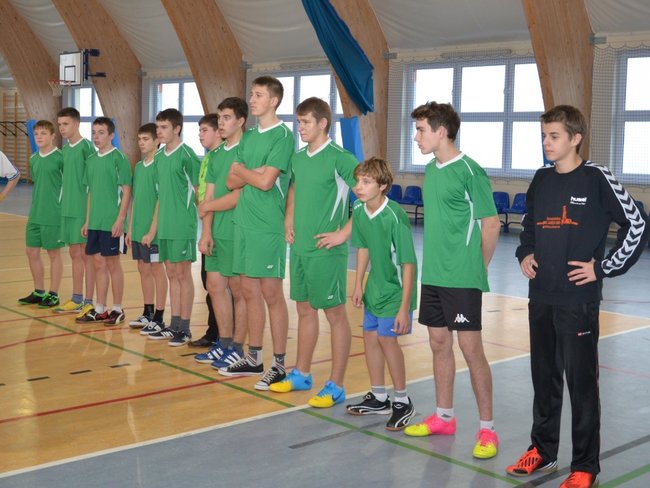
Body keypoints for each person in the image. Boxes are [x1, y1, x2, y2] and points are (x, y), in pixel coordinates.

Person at [507, 105, 649, 488]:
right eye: (544, 136)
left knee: (582, 385)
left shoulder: (596, 177)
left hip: (578, 302)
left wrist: (603, 268)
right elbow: (529, 226)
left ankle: (585, 466)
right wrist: (525, 253)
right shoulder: (541, 179)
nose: (546, 142)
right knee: (544, 378)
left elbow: (637, 223)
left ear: (575, 138)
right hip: (541, 296)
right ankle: (543, 449)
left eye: (554, 136)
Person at [404, 102, 501, 460]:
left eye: (421, 130)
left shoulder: (470, 171)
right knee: (438, 343)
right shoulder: (431, 170)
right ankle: (444, 417)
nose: (416, 137)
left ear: (441, 131)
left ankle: (488, 429)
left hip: (462, 277)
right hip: (433, 274)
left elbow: (491, 223)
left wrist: (478, 268)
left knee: (471, 349)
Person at [269, 97, 357, 408]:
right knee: (304, 310)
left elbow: (370, 195)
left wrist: (343, 233)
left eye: (305, 122)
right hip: (300, 249)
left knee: (335, 316)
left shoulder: (341, 159)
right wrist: (288, 218)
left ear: (322, 123)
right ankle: (302, 374)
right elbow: (294, 188)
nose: (300, 128)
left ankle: (336, 385)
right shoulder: (298, 158)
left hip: (326, 251)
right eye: (298, 122)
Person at [218, 76, 294, 391]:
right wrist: (253, 172)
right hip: (243, 223)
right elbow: (231, 181)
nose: (252, 99)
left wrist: (247, 173)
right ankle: (254, 357)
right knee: (249, 292)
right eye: (252, 94)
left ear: (273, 101)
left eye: (259, 95)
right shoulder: (248, 137)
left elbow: (265, 183)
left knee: (271, 294)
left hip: (267, 226)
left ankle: (279, 364)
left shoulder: (283, 136)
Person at [346, 157, 417, 430]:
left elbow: (408, 265)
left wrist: (404, 307)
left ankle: (402, 400)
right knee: (370, 338)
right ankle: (378, 397)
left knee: (388, 341)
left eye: (366, 182)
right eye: (357, 181)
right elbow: (363, 247)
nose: (358, 187)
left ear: (383, 185)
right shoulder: (359, 209)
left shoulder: (395, 216)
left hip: (396, 290)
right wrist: (358, 284)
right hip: (374, 288)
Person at [196, 97, 250, 369]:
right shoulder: (215, 155)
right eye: (219, 118)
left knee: (239, 291)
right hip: (217, 231)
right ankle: (224, 343)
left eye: (227, 117)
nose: (221, 123)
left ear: (241, 121)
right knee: (215, 286)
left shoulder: (247, 151)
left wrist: (208, 206)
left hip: (239, 231)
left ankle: (238, 348)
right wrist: (206, 232)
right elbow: (210, 194)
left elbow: (238, 197)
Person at [147, 108, 200, 346]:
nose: (159, 131)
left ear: (177, 128)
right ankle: (174, 324)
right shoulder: (158, 157)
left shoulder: (188, 155)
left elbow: (199, 192)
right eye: (157, 127)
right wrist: (153, 228)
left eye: (164, 127)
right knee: (171, 274)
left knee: (182, 274)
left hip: (182, 225)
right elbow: (160, 196)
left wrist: (206, 224)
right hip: (165, 226)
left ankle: (184, 328)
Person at [76, 117, 132, 325]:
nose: (96, 137)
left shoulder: (119, 159)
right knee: (98, 263)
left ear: (111, 135)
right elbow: (90, 193)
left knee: (112, 264)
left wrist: (120, 219)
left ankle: (117, 308)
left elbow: (126, 191)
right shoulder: (91, 160)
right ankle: (100, 308)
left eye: (101, 133)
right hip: (95, 223)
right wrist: (87, 220)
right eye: (94, 132)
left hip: (112, 222)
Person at [17, 120, 64, 308]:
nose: (39, 137)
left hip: (54, 214)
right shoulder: (33, 159)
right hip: (35, 213)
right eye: (36, 134)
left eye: (43, 133)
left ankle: (54, 294)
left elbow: (69, 186)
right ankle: (39, 291)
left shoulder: (61, 158)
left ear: (53, 136)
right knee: (31, 251)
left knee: (53, 253)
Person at [126, 123, 167, 331]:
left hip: (154, 231)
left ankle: (159, 316)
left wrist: (152, 230)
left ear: (157, 141)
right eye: (139, 139)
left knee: (156, 269)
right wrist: (131, 227)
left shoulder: (161, 164)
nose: (141, 143)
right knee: (143, 268)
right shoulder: (139, 167)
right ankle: (148, 312)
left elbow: (161, 200)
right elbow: (136, 200)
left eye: (146, 139)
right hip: (139, 229)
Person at [56, 107, 96, 316]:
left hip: (82, 210)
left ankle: (88, 301)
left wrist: (89, 216)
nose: (62, 128)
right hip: (68, 209)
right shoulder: (65, 150)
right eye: (60, 124)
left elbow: (93, 182)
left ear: (77, 124)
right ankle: (77, 298)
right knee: (74, 254)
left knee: (86, 255)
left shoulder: (86, 147)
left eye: (66, 124)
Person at [188, 113, 221, 348]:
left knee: (219, 286)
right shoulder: (208, 158)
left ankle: (222, 335)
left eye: (204, 130)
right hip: (207, 224)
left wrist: (207, 206)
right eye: (199, 130)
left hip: (219, 227)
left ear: (219, 132)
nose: (200, 135)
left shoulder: (223, 158)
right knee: (209, 284)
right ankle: (214, 332)